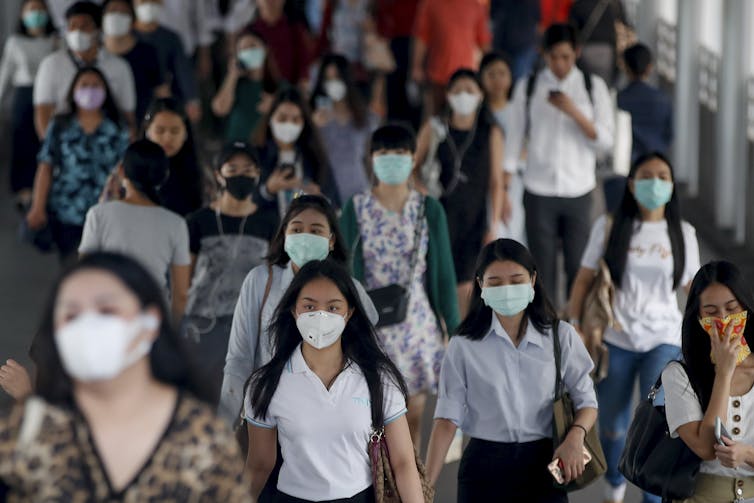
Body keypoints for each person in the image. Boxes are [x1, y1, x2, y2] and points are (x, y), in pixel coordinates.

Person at [0, 252, 252, 500]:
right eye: (72, 315)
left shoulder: (202, 440)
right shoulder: (29, 431)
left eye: (107, 310)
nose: (88, 327)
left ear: (149, 323)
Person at [567, 152, 700, 503]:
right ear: (631, 184)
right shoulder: (609, 226)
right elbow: (583, 279)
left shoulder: (684, 233)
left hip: (664, 340)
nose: (654, 183)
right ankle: (614, 481)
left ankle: (651, 496)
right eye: (646, 176)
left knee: (657, 426)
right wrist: (575, 324)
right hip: (616, 340)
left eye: (662, 176)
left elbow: (695, 290)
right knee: (613, 424)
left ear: (671, 186)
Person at [425, 239, 598, 502]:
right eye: (495, 283)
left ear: (533, 280)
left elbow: (587, 402)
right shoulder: (463, 345)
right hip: (483, 469)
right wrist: (424, 487)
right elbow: (447, 420)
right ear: (481, 284)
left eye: (516, 280)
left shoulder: (561, 336)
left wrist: (576, 435)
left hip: (545, 465)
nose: (506, 290)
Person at [244, 259, 424, 502]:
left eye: (333, 307)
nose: (321, 316)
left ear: (349, 313)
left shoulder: (378, 378)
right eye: (309, 306)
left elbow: (403, 463)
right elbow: (259, 465)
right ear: (294, 310)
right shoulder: (266, 384)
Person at [339, 124, 460, 448]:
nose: (392, 159)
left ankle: (412, 477)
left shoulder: (428, 209)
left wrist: (455, 331)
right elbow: (342, 270)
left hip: (416, 326)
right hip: (371, 328)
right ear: (371, 158)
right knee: (373, 420)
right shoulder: (355, 208)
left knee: (412, 418)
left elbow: (444, 276)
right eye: (384, 152)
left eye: (400, 152)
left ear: (413, 158)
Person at [218, 194, 378, 424]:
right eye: (296, 229)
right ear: (284, 235)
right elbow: (239, 359)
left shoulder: (350, 290)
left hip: (331, 418)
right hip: (270, 414)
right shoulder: (260, 281)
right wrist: (225, 422)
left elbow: (367, 357)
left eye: (315, 231)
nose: (305, 237)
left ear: (331, 240)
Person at [503, 23, 614, 306]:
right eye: (554, 57)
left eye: (566, 56)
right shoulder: (528, 87)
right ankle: (547, 323)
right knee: (541, 269)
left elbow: (605, 141)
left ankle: (575, 323)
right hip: (538, 189)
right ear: (544, 54)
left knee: (579, 265)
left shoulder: (592, 87)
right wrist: (504, 189)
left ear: (576, 52)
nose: (560, 64)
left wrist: (574, 112)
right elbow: (513, 139)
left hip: (579, 189)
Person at [184, 142, 278, 401]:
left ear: (258, 174)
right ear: (219, 174)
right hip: (203, 323)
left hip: (249, 323)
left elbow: (272, 276)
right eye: (233, 168)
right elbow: (185, 277)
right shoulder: (198, 221)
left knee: (244, 399)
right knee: (202, 395)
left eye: (248, 169)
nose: (240, 175)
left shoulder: (269, 222)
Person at [414, 68, 505, 316]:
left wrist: (494, 224)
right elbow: (412, 165)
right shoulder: (434, 128)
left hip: (475, 217)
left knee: (467, 283)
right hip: (439, 214)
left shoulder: (490, 132)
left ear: (480, 95)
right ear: (448, 94)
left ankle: (461, 331)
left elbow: (496, 182)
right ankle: (444, 330)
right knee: (439, 277)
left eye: (470, 90)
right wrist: (421, 189)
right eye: (457, 90)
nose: (463, 95)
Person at [664, 261, 754, 503]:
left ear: (746, 309)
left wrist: (747, 454)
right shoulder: (678, 374)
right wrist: (723, 373)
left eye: (732, 309)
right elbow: (705, 448)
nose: (723, 319)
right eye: (712, 312)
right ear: (698, 317)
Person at [78, 139, 191, 322]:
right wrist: (173, 331)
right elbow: (181, 295)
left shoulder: (98, 214)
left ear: (122, 171)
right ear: (164, 175)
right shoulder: (176, 224)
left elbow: (84, 273)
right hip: (152, 319)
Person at [26, 66, 129, 263]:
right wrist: (37, 206)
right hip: (67, 210)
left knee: (103, 268)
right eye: (84, 85)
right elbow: (46, 166)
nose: (90, 90)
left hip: (106, 211)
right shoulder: (60, 125)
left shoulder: (117, 127)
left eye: (96, 85)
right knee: (72, 266)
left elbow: (125, 170)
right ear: (73, 91)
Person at [33, 1, 136, 138]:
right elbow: (43, 111)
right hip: (64, 139)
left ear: (98, 30)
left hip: (108, 140)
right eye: (72, 26)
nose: (78, 31)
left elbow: (128, 115)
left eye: (84, 26)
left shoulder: (119, 66)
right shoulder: (51, 64)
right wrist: (51, 145)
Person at [0, 0, 57, 210]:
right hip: (24, 95)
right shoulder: (15, 42)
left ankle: (44, 190)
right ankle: (24, 191)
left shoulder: (55, 40)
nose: (37, 14)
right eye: (32, 10)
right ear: (23, 15)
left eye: (40, 9)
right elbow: (5, 75)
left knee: (46, 142)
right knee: (23, 142)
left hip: (49, 98)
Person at [255, 87, 338, 216]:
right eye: (282, 118)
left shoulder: (317, 159)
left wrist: (319, 199)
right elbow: (242, 204)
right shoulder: (256, 157)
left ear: (303, 123)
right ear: (270, 119)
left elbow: (335, 205)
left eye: (295, 119)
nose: (289, 124)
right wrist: (268, 190)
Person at [311, 53, 377, 203]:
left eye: (337, 78)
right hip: (327, 192)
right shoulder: (316, 118)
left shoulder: (364, 118)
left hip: (359, 190)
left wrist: (376, 191)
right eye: (328, 79)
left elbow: (369, 159)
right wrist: (314, 128)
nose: (333, 83)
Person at [411, 0, 491, 117]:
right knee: (434, 116)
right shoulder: (430, 4)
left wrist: (490, 67)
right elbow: (421, 37)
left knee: (465, 116)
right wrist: (416, 66)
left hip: (466, 76)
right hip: (437, 74)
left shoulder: (475, 5)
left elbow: (484, 41)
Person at [479, 51, 526, 245]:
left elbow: (522, 151)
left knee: (511, 234)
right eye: (491, 74)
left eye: (502, 73)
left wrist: (504, 188)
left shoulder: (519, 110)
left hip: (512, 183)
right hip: (483, 182)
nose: (497, 80)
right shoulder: (478, 113)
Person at [132, 0, 202, 123]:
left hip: (164, 98)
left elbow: (183, 70)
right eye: (143, 1)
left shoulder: (170, 38)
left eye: (154, 1)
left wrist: (192, 100)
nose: (148, 5)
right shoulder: (127, 37)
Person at [101, 0, 168, 123]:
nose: (117, 16)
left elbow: (161, 91)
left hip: (142, 120)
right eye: (112, 11)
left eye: (123, 12)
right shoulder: (95, 54)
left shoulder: (147, 52)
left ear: (133, 20)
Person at [212, 27, 279, 143]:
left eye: (253, 46)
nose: (249, 52)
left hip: (263, 147)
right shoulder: (235, 84)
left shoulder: (277, 86)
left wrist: (274, 107)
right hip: (235, 146)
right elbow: (220, 109)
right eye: (243, 49)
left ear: (265, 49)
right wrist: (232, 75)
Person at [142, 97, 205, 217]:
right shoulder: (134, 172)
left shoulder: (197, 172)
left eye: (175, 131)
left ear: (185, 133)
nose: (167, 138)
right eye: (160, 131)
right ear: (148, 132)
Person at [618, 43, 674, 161]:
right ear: (649, 67)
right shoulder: (663, 99)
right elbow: (669, 135)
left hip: (627, 161)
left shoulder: (619, 98)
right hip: (656, 159)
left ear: (626, 67)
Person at [249, 0, 313, 88]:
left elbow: (304, 72)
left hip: (289, 91)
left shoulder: (296, 31)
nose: (270, 1)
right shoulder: (249, 34)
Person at [568, 0, 629, 86]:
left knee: (584, 85)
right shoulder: (614, 3)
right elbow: (625, 25)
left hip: (585, 50)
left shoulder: (579, 4)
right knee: (604, 85)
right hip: (608, 51)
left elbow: (572, 30)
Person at [489, 0, 540, 82]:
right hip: (502, 45)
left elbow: (537, 20)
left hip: (524, 46)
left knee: (520, 81)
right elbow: (493, 17)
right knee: (501, 80)